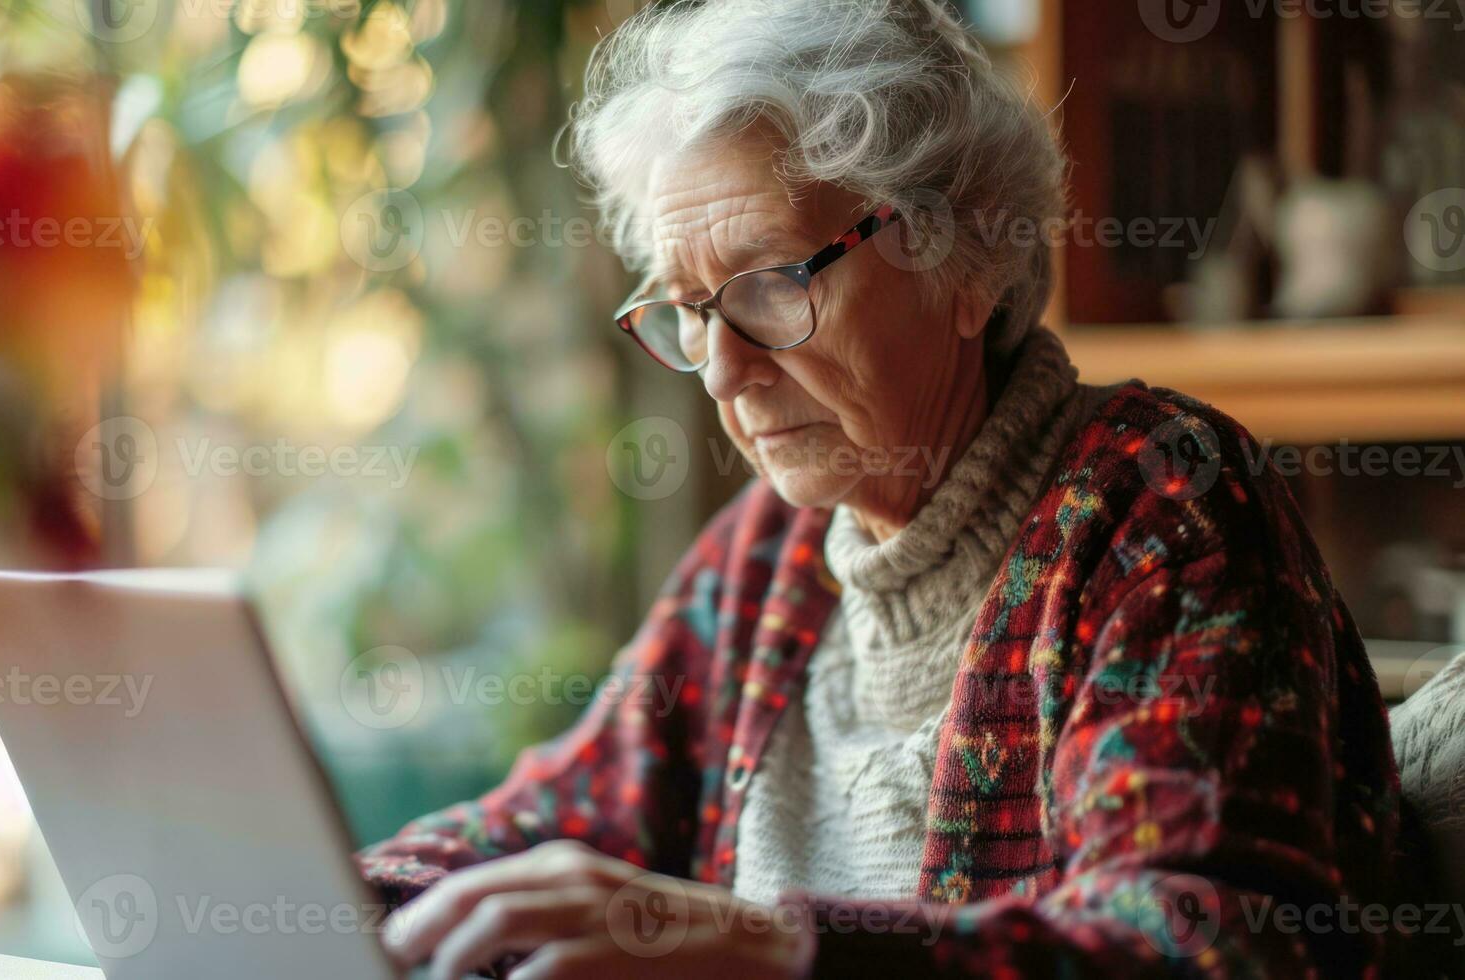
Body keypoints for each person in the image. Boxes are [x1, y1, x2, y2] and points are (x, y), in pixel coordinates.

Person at [357, 1, 1401, 976]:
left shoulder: (1161, 505)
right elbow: (542, 819)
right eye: (686, 306)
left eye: (771, 281)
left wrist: (774, 946)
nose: (723, 368)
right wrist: (338, 901)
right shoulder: (766, 555)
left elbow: (1210, 936)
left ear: (966, 258)